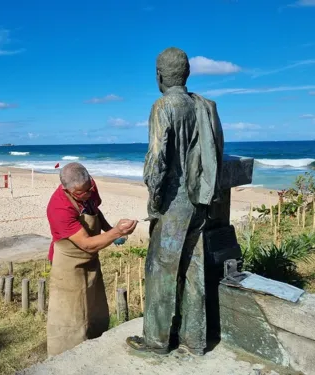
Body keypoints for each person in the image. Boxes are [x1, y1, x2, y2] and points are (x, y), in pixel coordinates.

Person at [126, 47, 224, 356]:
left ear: (159, 76)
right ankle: (194, 340)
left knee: (160, 269)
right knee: (194, 269)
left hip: (174, 203)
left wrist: (154, 200)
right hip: (200, 199)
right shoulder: (204, 106)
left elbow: (157, 161)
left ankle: (156, 340)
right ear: (187, 74)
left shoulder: (163, 106)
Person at [46, 162, 137, 357]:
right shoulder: (59, 208)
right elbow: (87, 244)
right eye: (81, 193)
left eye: (89, 189)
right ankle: (65, 357)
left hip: (90, 259)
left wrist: (108, 229)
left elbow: (94, 210)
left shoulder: (89, 187)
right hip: (68, 264)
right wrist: (116, 232)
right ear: (67, 189)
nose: (87, 194)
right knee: (70, 316)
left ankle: (95, 347)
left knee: (94, 307)